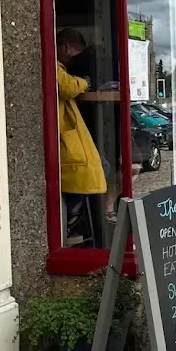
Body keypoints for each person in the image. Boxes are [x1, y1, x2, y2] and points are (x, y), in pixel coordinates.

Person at [56, 28, 106, 245]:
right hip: (64, 140)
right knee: (96, 169)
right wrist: (85, 82)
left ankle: (74, 217)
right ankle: (72, 219)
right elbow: (66, 86)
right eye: (77, 51)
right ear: (67, 47)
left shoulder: (59, 67)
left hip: (66, 138)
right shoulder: (54, 67)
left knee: (99, 168)